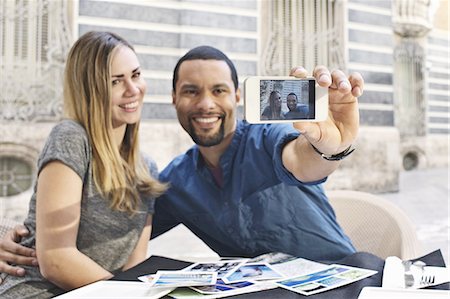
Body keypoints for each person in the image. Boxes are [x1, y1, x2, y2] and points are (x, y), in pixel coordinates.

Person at [0, 45, 363, 279]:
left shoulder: (266, 140)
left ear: (237, 96)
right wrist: (17, 237)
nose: (206, 104)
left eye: (219, 90)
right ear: (174, 98)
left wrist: (330, 147)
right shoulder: (174, 181)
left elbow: (304, 160)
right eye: (191, 91)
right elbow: (105, 226)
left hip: (344, 280)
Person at [0, 31, 166, 298]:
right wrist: (126, 294)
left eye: (135, 75)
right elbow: (56, 259)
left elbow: (135, 269)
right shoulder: (71, 138)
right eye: (115, 82)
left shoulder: (147, 169)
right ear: (92, 90)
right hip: (38, 291)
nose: (133, 90)